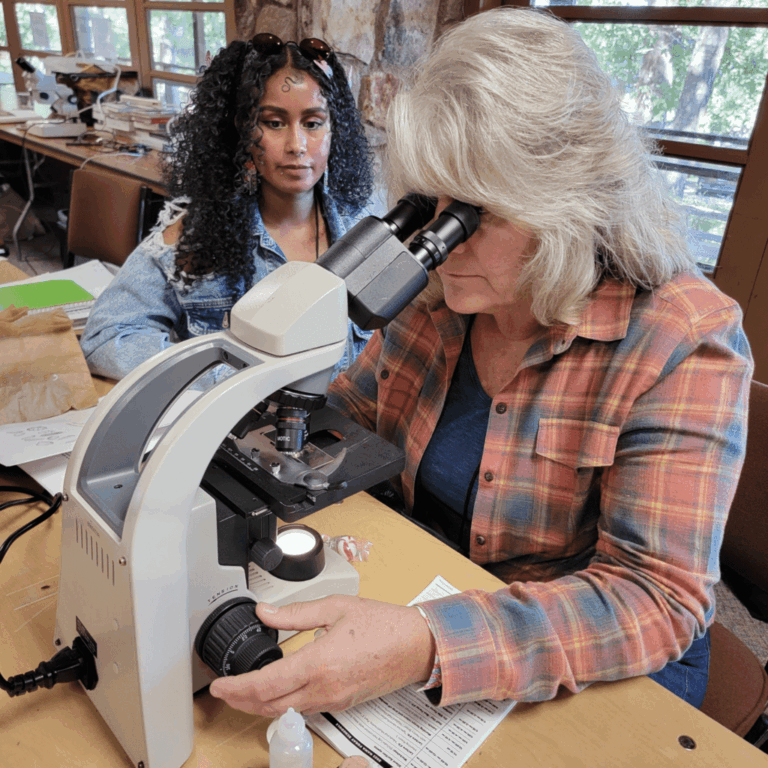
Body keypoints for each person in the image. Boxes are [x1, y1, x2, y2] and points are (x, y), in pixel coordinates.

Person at [208, 8, 753, 716]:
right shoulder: (439, 294)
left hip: (603, 656)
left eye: (471, 214)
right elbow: (349, 418)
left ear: (563, 206)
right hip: (441, 583)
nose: (440, 239)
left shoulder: (682, 340)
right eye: (425, 205)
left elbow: (655, 598)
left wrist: (430, 642)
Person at [80, 34, 374, 382]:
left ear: (333, 129)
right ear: (242, 131)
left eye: (312, 123)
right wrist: (225, 381)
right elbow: (106, 337)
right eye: (274, 123)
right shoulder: (197, 237)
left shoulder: (367, 232)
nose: (297, 145)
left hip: (349, 432)